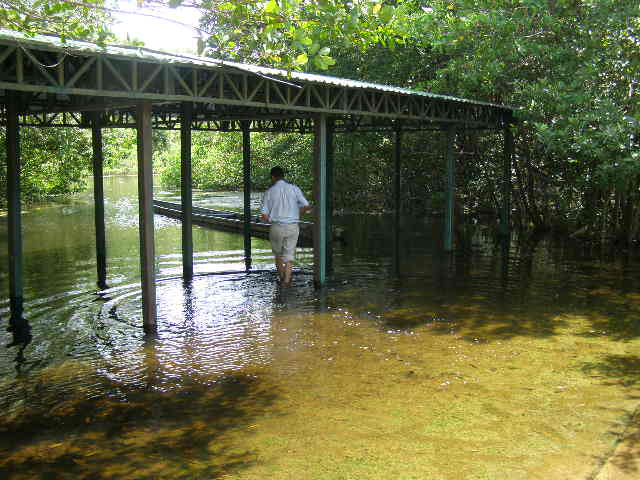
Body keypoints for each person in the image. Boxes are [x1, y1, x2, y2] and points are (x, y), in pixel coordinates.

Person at [260, 166, 311, 285]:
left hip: (277, 227)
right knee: (289, 256)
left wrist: (270, 221)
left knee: (278, 255)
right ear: (283, 176)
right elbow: (307, 206)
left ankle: (281, 278)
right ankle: (287, 281)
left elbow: (264, 215)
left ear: (273, 177)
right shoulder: (294, 189)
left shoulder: (269, 192)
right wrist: (298, 214)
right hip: (293, 226)